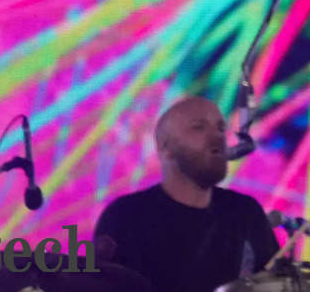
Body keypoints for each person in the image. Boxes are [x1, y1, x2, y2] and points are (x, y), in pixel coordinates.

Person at [93, 96, 279, 292]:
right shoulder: (124, 215)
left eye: (221, 128)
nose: (218, 137)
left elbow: (278, 281)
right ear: (165, 147)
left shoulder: (244, 211)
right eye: (198, 127)